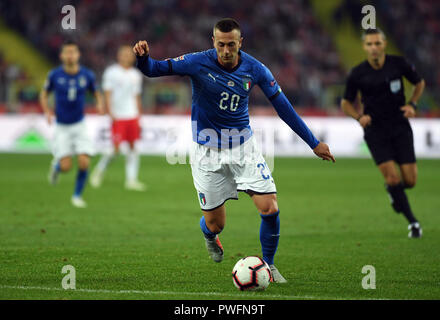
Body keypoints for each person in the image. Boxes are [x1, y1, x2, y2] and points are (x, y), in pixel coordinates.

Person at [133, 18, 335, 282]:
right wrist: (143, 58)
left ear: (240, 43)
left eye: (231, 45)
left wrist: (313, 142)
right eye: (221, 45)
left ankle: (269, 266)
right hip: (206, 152)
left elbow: (284, 108)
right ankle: (209, 234)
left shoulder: (256, 69)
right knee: (217, 223)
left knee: (270, 208)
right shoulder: (197, 62)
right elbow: (154, 69)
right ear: (213, 42)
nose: (226, 51)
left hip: (243, 148)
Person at [341, 28, 425, 238]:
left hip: (400, 127)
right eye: (369, 44)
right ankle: (413, 223)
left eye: (377, 43)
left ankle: (393, 192)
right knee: (393, 177)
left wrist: (413, 104)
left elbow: (419, 82)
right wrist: (359, 117)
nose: (374, 48)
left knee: (410, 181)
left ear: (384, 44)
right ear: (364, 47)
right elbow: (345, 102)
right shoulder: (358, 73)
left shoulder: (398, 64)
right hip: (375, 130)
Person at [40, 41, 104, 208]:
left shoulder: (87, 75)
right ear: (61, 56)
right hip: (62, 126)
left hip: (79, 124)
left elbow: (96, 92)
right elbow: (44, 94)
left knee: (84, 162)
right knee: (66, 167)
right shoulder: (54, 75)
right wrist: (47, 111)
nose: (70, 55)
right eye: (67, 52)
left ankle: (77, 196)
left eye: (73, 52)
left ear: (78, 55)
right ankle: (56, 166)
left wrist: (99, 103)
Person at [90, 45, 146, 191]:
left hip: (132, 115)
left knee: (133, 148)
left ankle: (131, 180)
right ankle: (98, 171)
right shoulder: (111, 72)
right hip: (118, 116)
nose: (126, 57)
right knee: (115, 149)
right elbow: (107, 93)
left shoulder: (136, 74)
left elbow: (137, 97)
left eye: (129, 54)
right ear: (118, 56)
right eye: (124, 54)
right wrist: (110, 112)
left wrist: (139, 116)